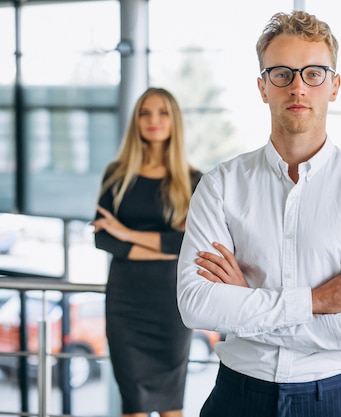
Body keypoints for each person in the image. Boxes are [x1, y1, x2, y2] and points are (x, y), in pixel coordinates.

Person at [176, 10, 341, 417]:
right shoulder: (220, 185)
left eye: (313, 74)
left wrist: (245, 301)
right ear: (263, 88)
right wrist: (315, 301)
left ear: (334, 86)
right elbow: (196, 305)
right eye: (281, 74)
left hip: (330, 401)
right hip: (236, 396)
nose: (298, 86)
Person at [92, 87, 202, 417]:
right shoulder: (117, 175)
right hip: (126, 304)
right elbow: (103, 240)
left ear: (174, 121)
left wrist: (127, 234)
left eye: (162, 112)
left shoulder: (193, 181)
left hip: (170, 305)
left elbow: (189, 246)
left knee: (171, 408)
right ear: (136, 121)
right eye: (145, 113)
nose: (153, 120)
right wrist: (164, 246)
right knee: (134, 406)